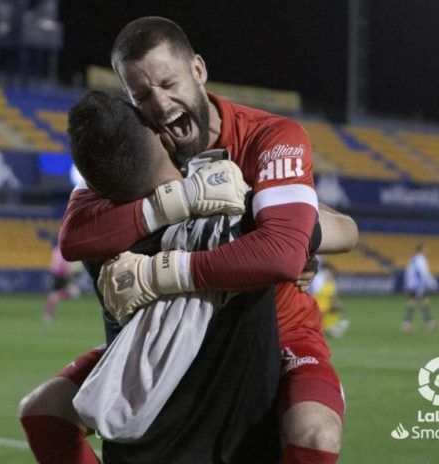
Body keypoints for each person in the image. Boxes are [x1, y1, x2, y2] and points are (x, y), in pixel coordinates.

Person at [58, 17, 351, 464]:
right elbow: (76, 234)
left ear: (198, 69)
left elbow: (291, 249)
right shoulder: (143, 143)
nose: (158, 103)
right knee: (44, 411)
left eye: (168, 82)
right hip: (178, 328)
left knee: (315, 433)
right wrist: (180, 201)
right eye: (141, 94)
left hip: (281, 330)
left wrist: (162, 274)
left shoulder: (267, 136)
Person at [402, 243, 438, 332]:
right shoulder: (421, 260)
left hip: (412, 285)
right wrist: (432, 284)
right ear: (421, 250)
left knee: (413, 303)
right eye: (425, 249)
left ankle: (407, 324)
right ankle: (429, 324)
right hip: (418, 285)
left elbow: (409, 273)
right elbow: (423, 274)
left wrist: (407, 284)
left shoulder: (413, 259)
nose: (427, 251)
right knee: (423, 303)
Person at [44, 242, 83, 323]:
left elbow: (55, 263)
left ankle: (48, 315)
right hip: (61, 275)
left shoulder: (56, 249)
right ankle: (49, 313)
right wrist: (72, 270)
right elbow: (64, 266)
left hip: (56, 274)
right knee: (73, 293)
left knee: (55, 296)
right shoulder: (64, 250)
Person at [310, 261, 350, 338]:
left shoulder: (331, 282)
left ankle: (334, 326)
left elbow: (332, 296)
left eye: (329, 272)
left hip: (325, 305)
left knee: (331, 315)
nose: (328, 274)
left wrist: (336, 303)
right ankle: (334, 327)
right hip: (317, 305)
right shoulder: (318, 281)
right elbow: (313, 293)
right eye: (326, 272)